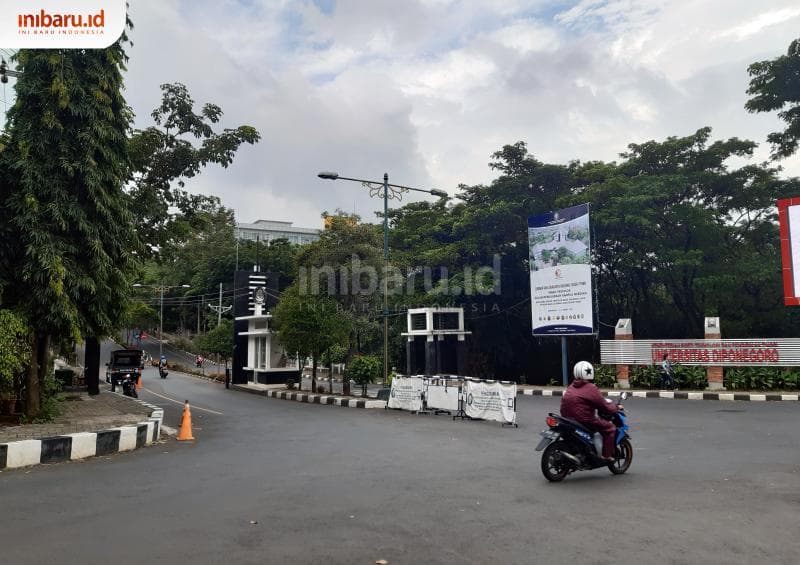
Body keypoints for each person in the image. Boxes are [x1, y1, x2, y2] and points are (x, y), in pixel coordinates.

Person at [560, 361, 622, 462]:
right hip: (585, 420)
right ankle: (606, 456)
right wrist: (616, 407)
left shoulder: (571, 386)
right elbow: (604, 406)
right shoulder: (591, 388)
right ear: (589, 372)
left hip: (567, 419)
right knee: (610, 428)